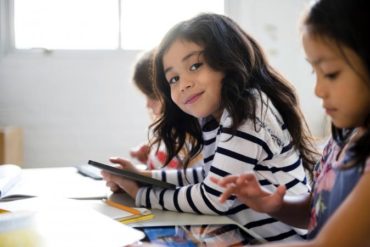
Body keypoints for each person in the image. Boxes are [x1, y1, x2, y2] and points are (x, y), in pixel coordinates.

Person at [102, 13, 318, 242]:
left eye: (195, 66)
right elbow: (210, 176)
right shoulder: (217, 117)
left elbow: (214, 198)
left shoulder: (247, 109)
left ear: (228, 59)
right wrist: (143, 176)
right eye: (173, 79)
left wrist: (141, 194)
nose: (184, 83)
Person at [212, 0, 370, 246]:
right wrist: (273, 204)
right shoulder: (342, 139)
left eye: (330, 73)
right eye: (313, 72)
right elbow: (317, 209)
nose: (318, 90)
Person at [129, 49, 202, 170]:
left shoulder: (193, 146)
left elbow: (174, 181)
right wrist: (151, 155)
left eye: (152, 96)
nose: (147, 105)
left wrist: (137, 179)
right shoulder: (171, 136)